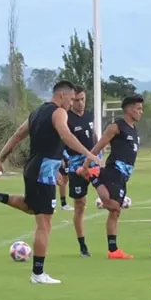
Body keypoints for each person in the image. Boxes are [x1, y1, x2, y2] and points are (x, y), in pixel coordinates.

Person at [0, 81, 101, 283]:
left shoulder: (37, 113)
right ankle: (38, 274)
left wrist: (0, 159)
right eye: (71, 99)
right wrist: (89, 154)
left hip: (33, 168)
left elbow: (18, 135)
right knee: (44, 222)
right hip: (43, 172)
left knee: (32, 207)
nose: (72, 103)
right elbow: (65, 135)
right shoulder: (59, 112)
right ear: (62, 96)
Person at [81, 95, 144, 259]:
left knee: (115, 211)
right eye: (138, 108)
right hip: (114, 170)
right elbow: (98, 146)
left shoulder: (134, 130)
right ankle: (94, 176)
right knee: (114, 207)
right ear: (128, 109)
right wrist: (86, 164)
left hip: (123, 176)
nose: (141, 112)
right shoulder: (116, 127)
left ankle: (113, 251)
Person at [61, 86, 97, 256]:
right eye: (76, 100)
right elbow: (61, 141)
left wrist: (99, 153)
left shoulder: (89, 115)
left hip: (93, 163)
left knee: (108, 194)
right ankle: (83, 246)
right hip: (76, 166)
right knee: (80, 204)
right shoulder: (65, 118)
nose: (80, 103)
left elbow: (94, 136)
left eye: (82, 99)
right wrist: (65, 162)